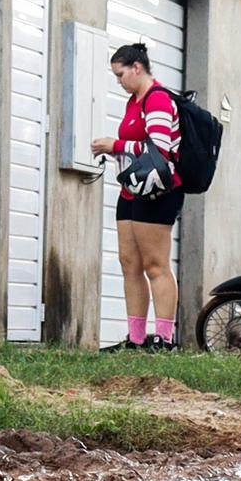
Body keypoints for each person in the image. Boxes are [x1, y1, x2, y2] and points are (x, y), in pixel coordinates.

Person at [93, 42, 186, 351]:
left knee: (155, 265)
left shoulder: (157, 100)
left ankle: (164, 339)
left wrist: (115, 146)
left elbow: (159, 150)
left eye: (120, 75)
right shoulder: (134, 101)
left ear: (137, 67)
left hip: (158, 192)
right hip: (131, 190)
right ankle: (135, 339)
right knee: (129, 263)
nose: (118, 82)